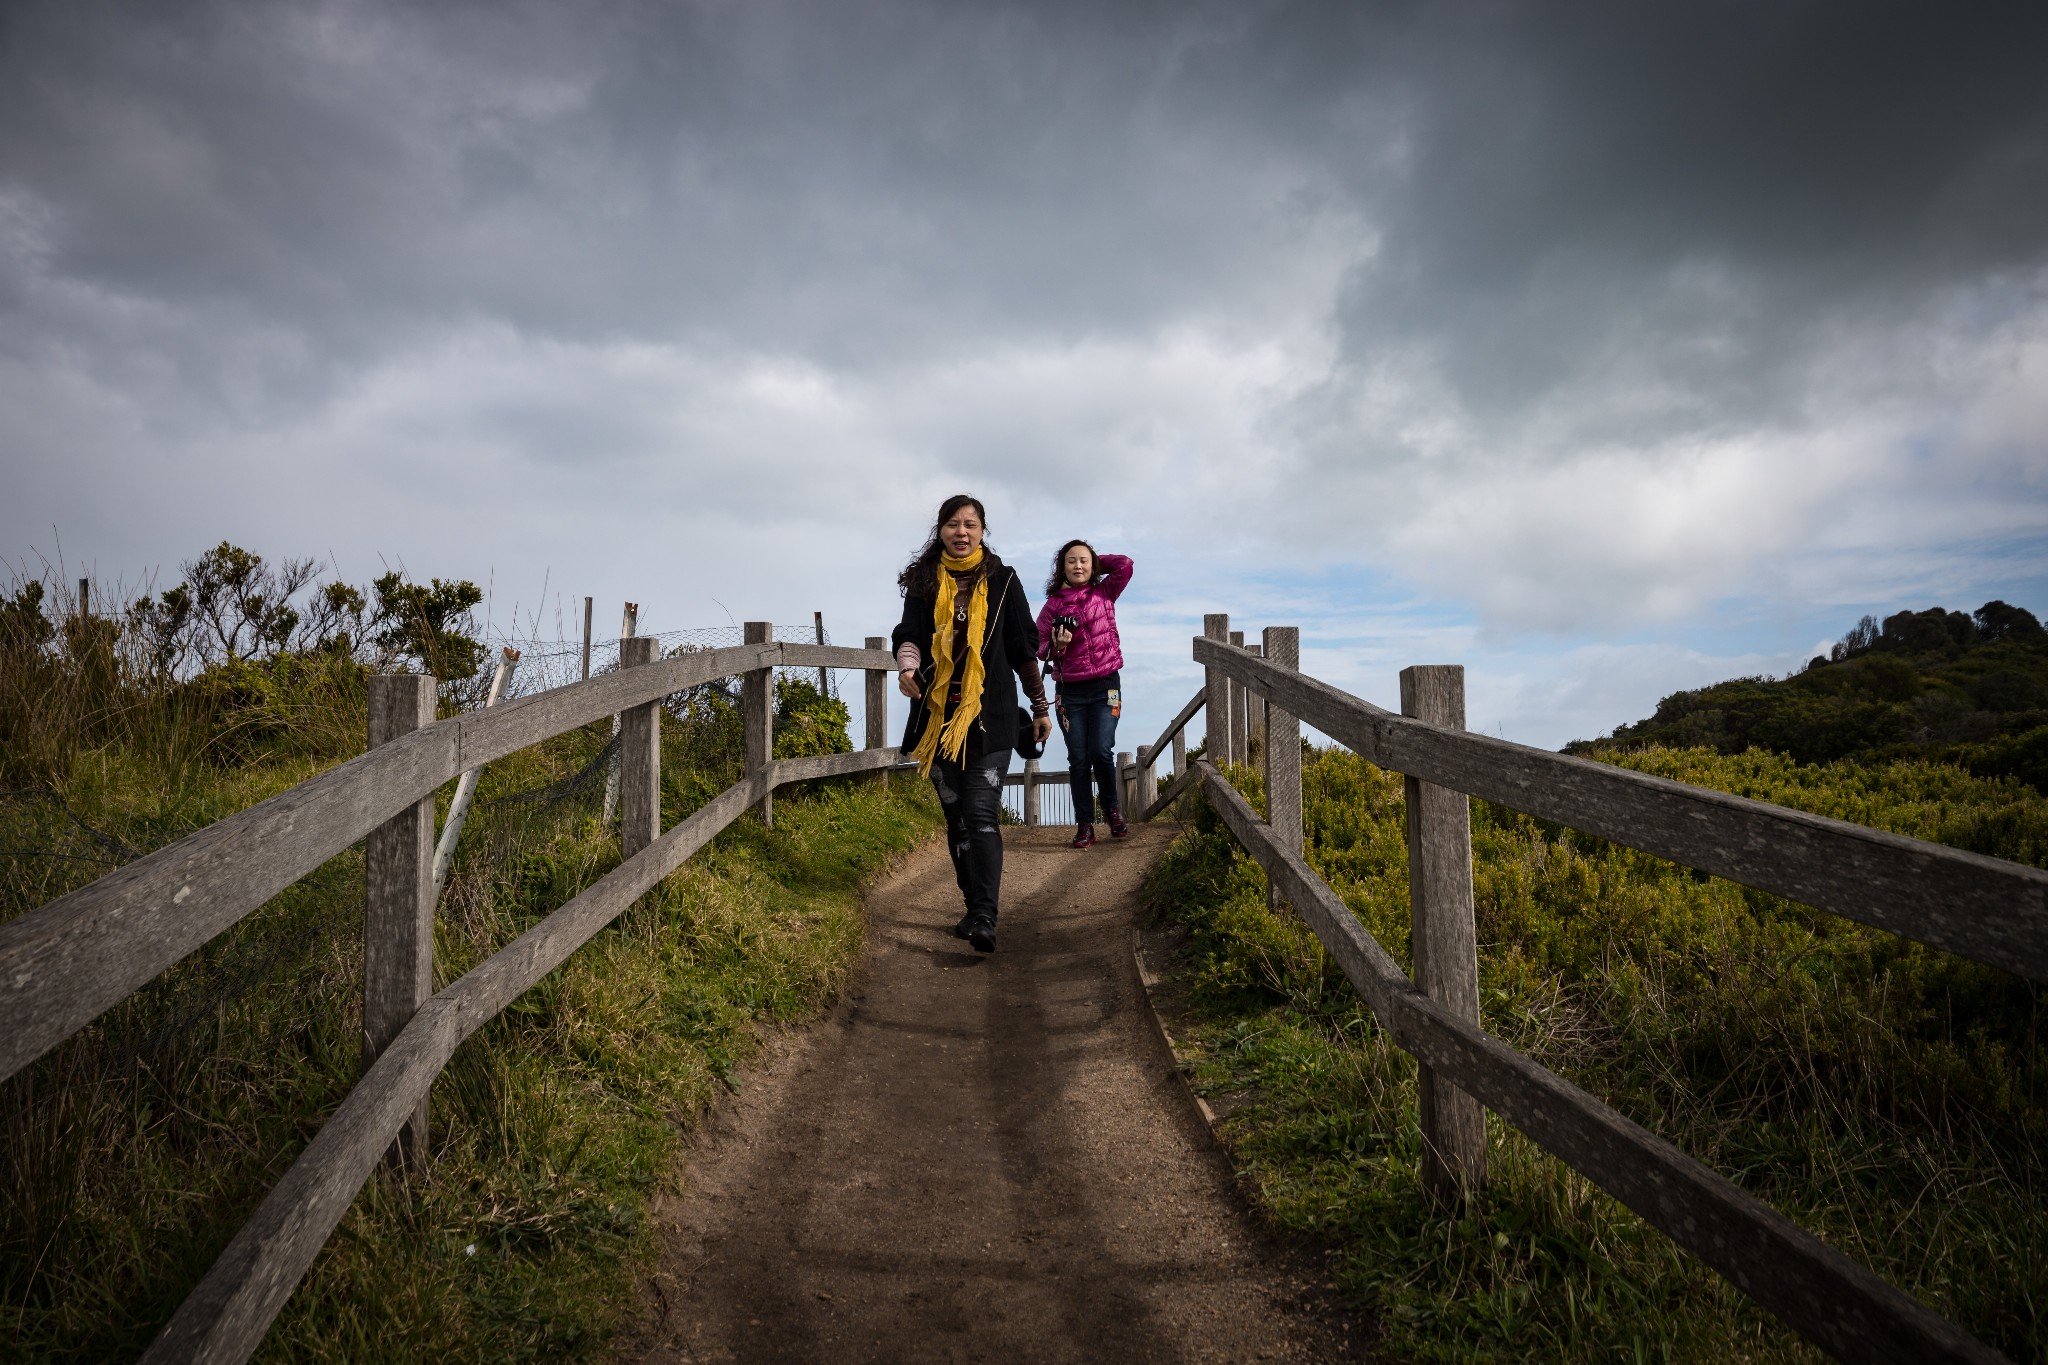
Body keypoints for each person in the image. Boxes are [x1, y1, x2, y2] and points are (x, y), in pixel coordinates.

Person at [892, 494, 1053, 953]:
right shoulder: (924, 581)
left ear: (982, 530)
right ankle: (971, 905)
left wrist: (1040, 707)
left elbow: (1024, 647)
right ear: (940, 530)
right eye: (953, 524)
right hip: (937, 717)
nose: (961, 532)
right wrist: (907, 668)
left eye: (970, 524)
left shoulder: (1004, 581)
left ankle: (985, 915)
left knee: (981, 813)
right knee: (956, 819)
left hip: (992, 715)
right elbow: (908, 634)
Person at [1035, 540, 1133, 849]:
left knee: (1101, 750)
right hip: (1070, 691)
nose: (1078, 566)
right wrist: (1057, 646)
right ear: (1061, 567)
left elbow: (1126, 564)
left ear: (1092, 566)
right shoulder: (1052, 606)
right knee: (1078, 758)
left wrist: (1095, 561)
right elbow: (1038, 648)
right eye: (1071, 561)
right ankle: (1085, 825)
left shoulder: (1104, 592)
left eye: (1084, 561)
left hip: (1106, 685)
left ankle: (1112, 811)